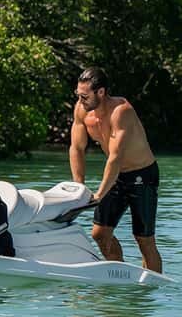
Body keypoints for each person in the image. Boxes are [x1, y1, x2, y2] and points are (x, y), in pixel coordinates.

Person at [69, 66, 163, 273]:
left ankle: (151, 288)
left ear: (100, 92)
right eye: (78, 95)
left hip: (142, 175)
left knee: (143, 240)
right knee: (100, 234)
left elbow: (115, 157)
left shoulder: (121, 111)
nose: (80, 100)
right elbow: (76, 148)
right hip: (117, 177)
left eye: (85, 96)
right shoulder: (81, 110)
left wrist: (100, 194)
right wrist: (79, 186)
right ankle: (120, 275)